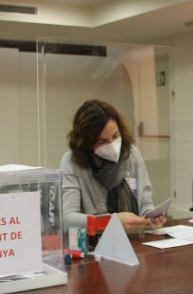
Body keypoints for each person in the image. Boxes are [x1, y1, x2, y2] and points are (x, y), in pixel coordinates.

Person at [61, 99, 167, 233]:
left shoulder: (132, 154)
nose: (112, 145)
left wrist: (151, 218)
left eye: (115, 136)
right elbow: (68, 219)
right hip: (94, 246)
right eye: (102, 141)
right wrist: (112, 222)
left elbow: (145, 204)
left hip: (136, 241)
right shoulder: (72, 162)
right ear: (87, 143)